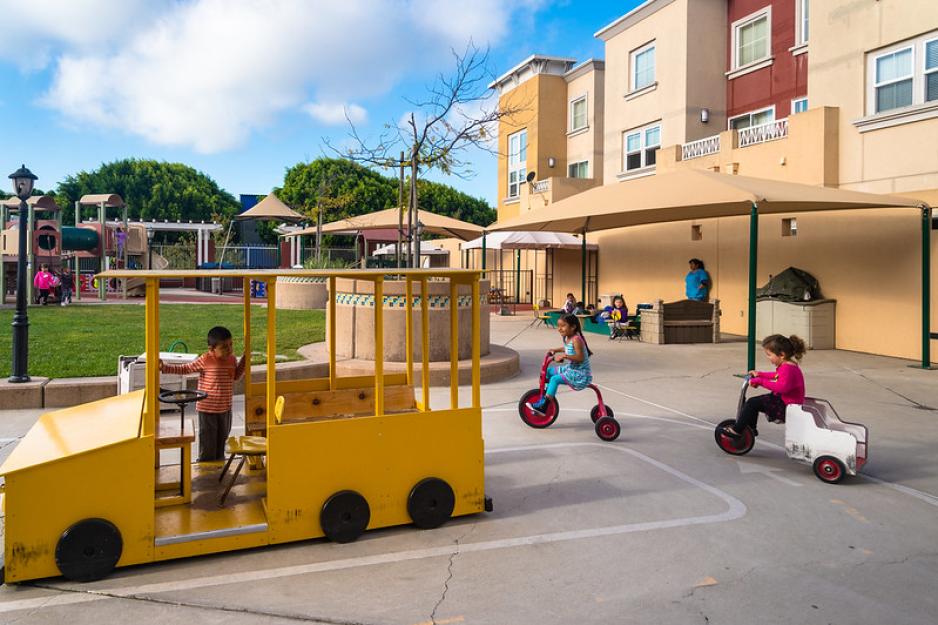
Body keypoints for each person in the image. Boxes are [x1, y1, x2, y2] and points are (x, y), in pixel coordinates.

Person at [160, 326, 247, 462]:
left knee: (222, 439)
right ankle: (205, 466)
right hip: (208, 410)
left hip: (225, 409)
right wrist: (165, 367)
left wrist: (244, 362)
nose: (229, 349)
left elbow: (235, 376)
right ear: (211, 349)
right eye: (224, 347)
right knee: (208, 441)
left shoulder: (231, 360)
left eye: (231, 344)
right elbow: (186, 369)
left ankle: (218, 464)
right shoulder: (206, 360)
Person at [723, 334, 806, 438]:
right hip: (784, 401)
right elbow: (777, 376)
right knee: (754, 402)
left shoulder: (787, 368)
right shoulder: (788, 365)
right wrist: (760, 374)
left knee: (752, 403)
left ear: (781, 354)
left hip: (785, 405)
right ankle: (750, 428)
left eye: (769, 355)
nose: (768, 358)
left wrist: (761, 381)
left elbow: (782, 387)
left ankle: (737, 431)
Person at [526, 314, 593, 416]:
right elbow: (567, 348)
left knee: (554, 379)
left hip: (580, 374)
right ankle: (546, 396)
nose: (559, 329)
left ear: (573, 327)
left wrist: (564, 357)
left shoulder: (577, 339)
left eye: (563, 326)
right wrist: (555, 350)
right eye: (558, 326)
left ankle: (543, 407)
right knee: (548, 372)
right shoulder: (568, 338)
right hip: (571, 368)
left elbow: (580, 358)